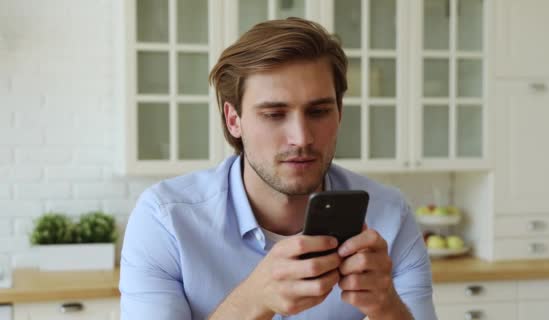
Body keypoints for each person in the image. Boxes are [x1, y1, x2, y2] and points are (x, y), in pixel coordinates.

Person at [120, 17, 437, 320]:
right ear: (234, 120)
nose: (301, 138)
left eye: (318, 111)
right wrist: (254, 299)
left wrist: (387, 307)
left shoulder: (390, 218)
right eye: (274, 114)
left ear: (339, 113)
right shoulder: (165, 221)